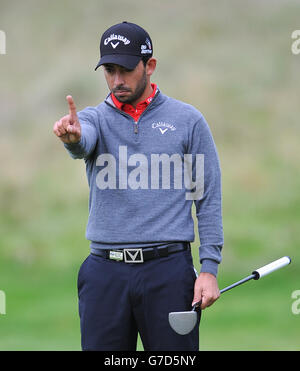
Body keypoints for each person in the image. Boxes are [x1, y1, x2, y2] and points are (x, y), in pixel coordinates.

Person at [53, 21, 224, 351]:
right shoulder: (93, 119)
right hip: (104, 274)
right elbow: (82, 141)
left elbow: (208, 195)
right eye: (110, 70)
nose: (117, 80)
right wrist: (72, 138)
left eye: (127, 70)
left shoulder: (188, 121)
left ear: (150, 66)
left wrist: (209, 269)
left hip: (169, 274)